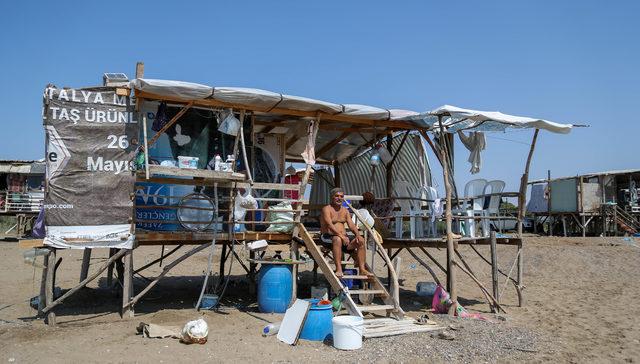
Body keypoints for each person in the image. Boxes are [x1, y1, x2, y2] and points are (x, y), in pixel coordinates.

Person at [320, 187, 370, 277]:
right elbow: (329, 225)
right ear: (332, 197)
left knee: (361, 240)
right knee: (337, 239)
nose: (339, 198)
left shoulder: (345, 211)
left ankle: (362, 269)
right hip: (328, 237)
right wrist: (341, 236)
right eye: (337, 196)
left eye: (341, 196)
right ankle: (339, 269)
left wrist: (357, 235)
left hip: (343, 238)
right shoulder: (326, 209)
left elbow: (351, 225)